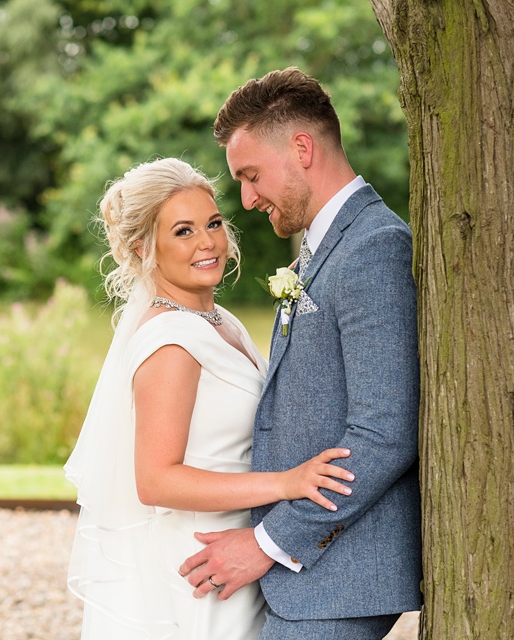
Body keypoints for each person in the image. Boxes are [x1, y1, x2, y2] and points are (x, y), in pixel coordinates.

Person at [65, 157, 357, 640]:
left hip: (240, 548)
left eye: (214, 223)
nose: (208, 243)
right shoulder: (172, 342)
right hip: (203, 560)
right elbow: (157, 481)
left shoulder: (218, 320)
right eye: (183, 231)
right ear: (143, 248)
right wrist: (286, 483)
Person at [178, 68, 422, 639]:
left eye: (251, 174)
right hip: (311, 579)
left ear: (303, 148)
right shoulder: (325, 247)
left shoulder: (374, 248)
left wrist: (268, 542)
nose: (247, 197)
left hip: (336, 576)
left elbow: (386, 430)